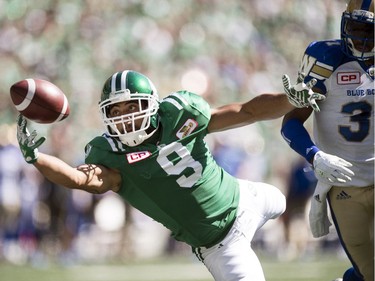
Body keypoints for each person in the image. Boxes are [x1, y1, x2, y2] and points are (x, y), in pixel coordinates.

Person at [16, 69, 320, 280]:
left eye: (131, 106)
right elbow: (79, 178)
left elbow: (245, 111)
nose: (125, 118)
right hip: (221, 243)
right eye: (116, 111)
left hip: (246, 197)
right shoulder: (109, 155)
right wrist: (37, 158)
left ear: (152, 104)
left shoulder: (179, 113)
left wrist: (288, 100)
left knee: (282, 200)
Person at [281, 0, 374, 280]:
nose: (362, 37)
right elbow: (291, 122)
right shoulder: (324, 58)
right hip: (343, 184)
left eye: (370, 30)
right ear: (345, 22)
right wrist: (314, 156)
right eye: (357, 27)